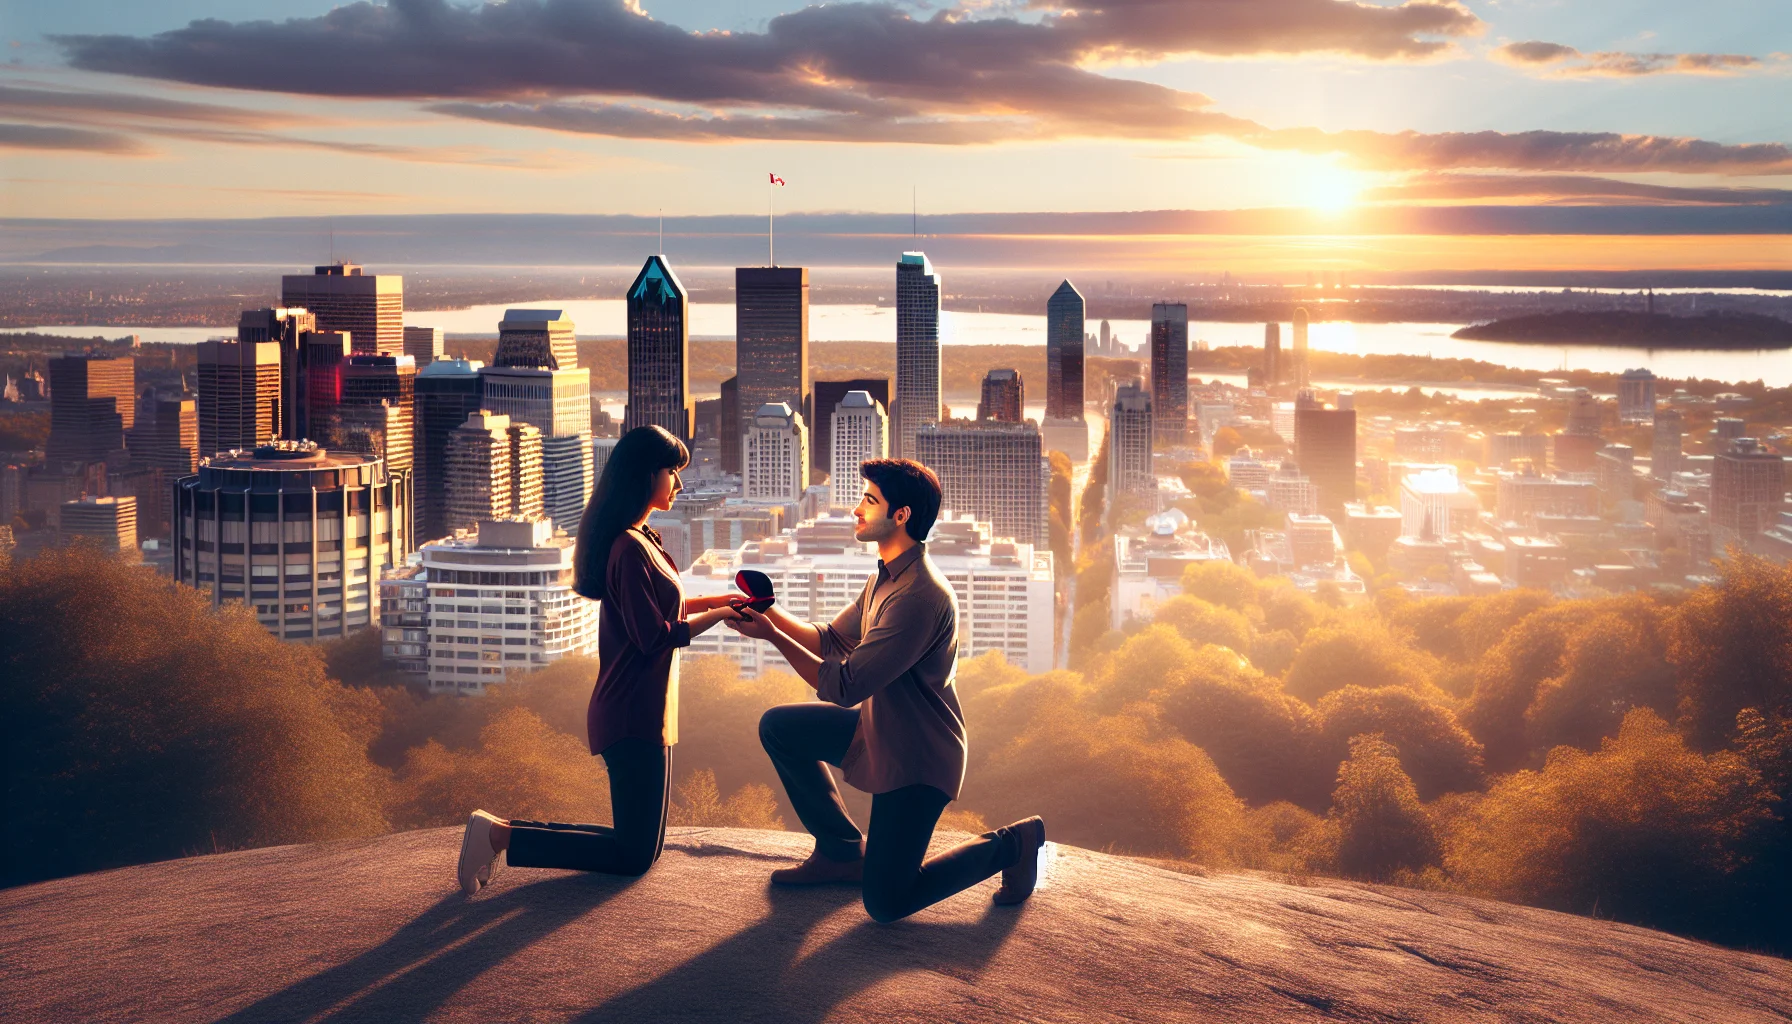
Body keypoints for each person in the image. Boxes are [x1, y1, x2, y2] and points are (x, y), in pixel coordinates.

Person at [728, 458, 1047, 923]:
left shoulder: (918, 597)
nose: (857, 509)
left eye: (869, 500)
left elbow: (845, 685)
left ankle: (1013, 844)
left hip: (917, 756)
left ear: (901, 516)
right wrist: (768, 613)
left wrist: (771, 637)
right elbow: (833, 641)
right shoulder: (885, 575)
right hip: (880, 730)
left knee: (886, 903)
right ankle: (840, 852)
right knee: (780, 728)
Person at [456, 425, 740, 894]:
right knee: (632, 855)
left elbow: (664, 608)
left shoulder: (643, 536)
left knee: (641, 850)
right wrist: (724, 614)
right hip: (629, 713)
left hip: (652, 714)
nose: (680, 484)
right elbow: (653, 636)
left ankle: (500, 833)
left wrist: (720, 601)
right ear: (646, 474)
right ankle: (498, 836)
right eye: (673, 472)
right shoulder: (628, 548)